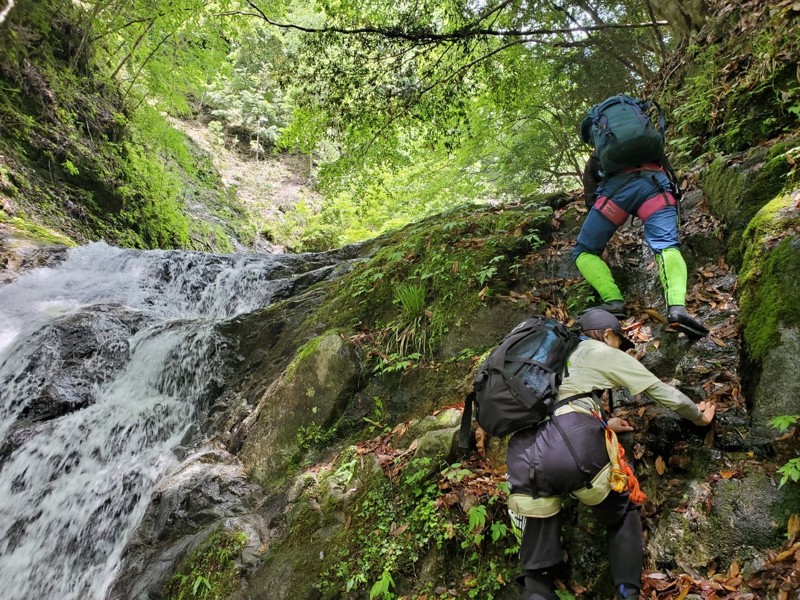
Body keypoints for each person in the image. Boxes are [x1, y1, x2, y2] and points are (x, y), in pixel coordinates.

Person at [506, 308, 716, 600]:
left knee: (537, 569)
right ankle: (627, 591)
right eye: (620, 341)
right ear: (607, 334)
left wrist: (602, 423)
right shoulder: (598, 351)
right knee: (623, 512)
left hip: (522, 456)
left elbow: (556, 405)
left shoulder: (546, 357)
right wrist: (698, 417)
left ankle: (538, 587)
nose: (620, 348)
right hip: (570, 446)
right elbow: (659, 390)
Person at [574, 117, 708, 338]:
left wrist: (600, 239)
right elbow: (666, 166)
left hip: (617, 194)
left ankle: (613, 301)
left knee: (584, 250)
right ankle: (676, 308)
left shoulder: (598, 157)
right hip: (655, 186)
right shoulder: (643, 139)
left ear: (594, 137)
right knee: (666, 246)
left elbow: (591, 201)